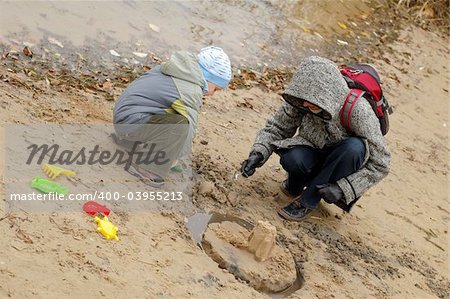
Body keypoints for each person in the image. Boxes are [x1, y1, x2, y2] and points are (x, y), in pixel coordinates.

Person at [240, 56, 391, 221]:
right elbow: (278, 127)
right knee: (292, 159)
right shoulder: (303, 96)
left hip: (341, 161)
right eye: (303, 101)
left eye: (310, 103)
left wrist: (344, 188)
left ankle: (307, 201)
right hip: (311, 148)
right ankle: (294, 185)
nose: (304, 105)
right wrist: (259, 152)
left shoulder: (359, 111)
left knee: (355, 147)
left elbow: (381, 163)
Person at [113, 46, 232, 186]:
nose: (212, 94)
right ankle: (146, 167)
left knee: (173, 114)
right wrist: (174, 157)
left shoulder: (178, 69)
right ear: (208, 77)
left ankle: (136, 143)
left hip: (127, 114)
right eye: (216, 89)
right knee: (180, 125)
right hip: (129, 123)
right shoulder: (191, 90)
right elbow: (189, 127)